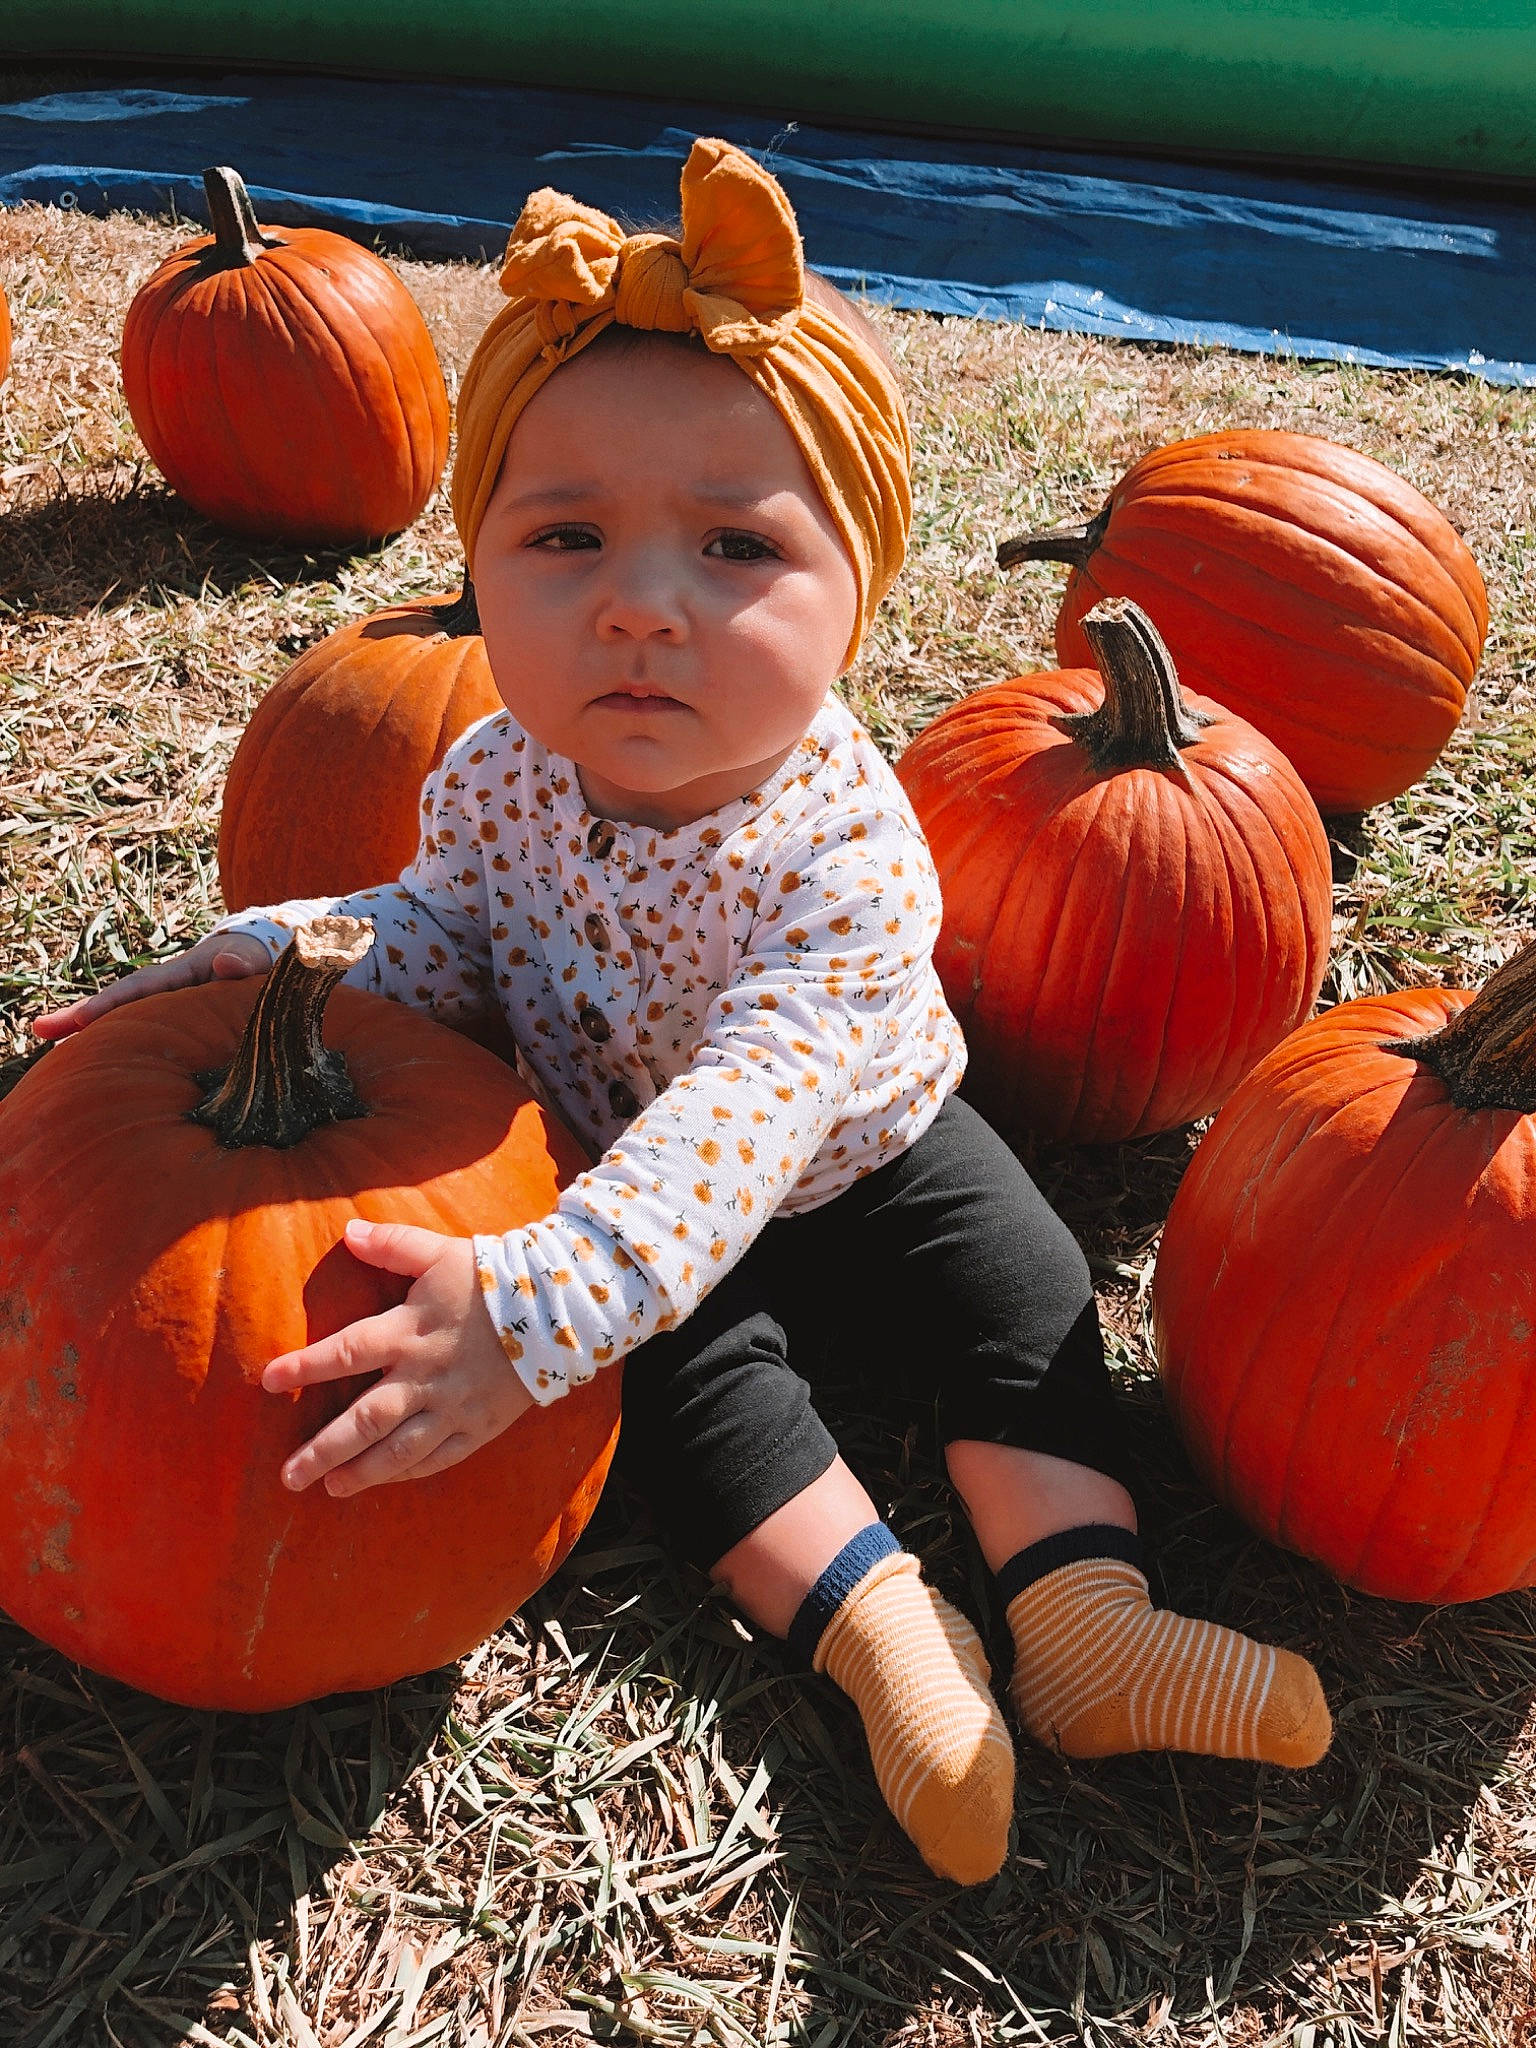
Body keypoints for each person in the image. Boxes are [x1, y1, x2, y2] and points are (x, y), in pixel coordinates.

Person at [36, 138, 1330, 1884]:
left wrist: (543, 1299)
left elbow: (758, 1099)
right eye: (564, 535)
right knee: (695, 1409)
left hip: (865, 1151)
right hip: (643, 1179)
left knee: (1020, 1284)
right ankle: (892, 1642)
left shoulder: (847, 845)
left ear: (854, 592)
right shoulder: (496, 772)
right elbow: (439, 930)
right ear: (479, 563)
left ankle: (1083, 1615)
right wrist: (266, 957)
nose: (643, 603)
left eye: (736, 547)